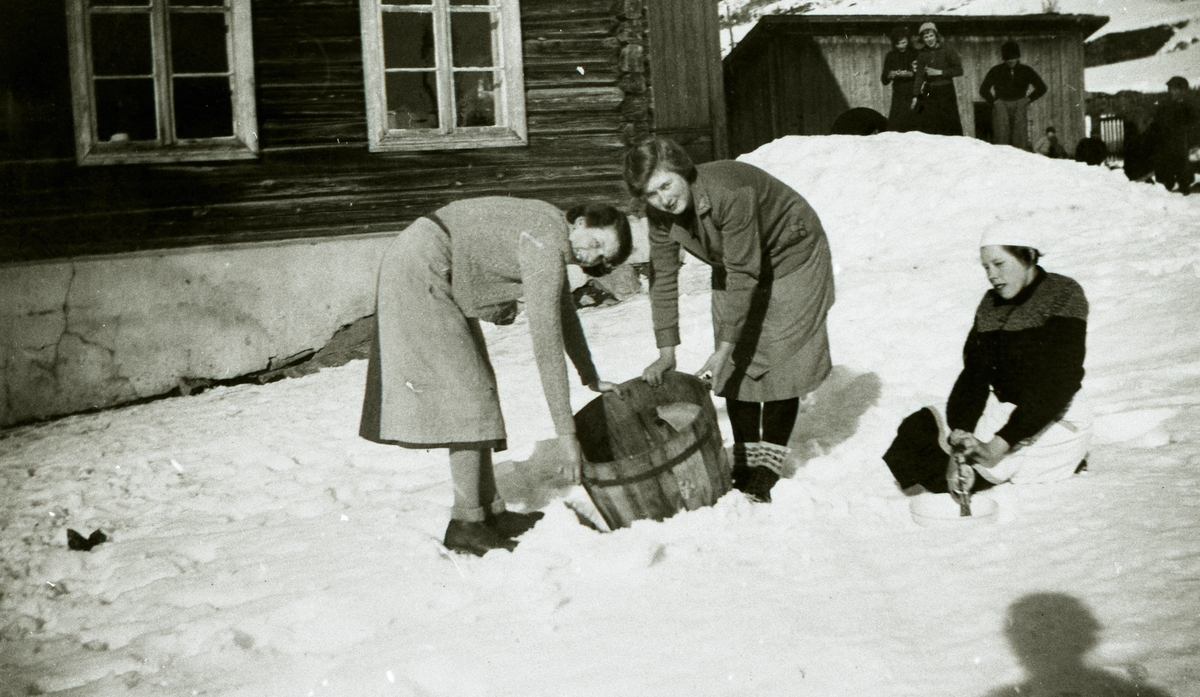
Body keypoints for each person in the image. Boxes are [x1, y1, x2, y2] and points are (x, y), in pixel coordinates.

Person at [359, 197, 633, 556]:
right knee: (468, 398)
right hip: (421, 267)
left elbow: (563, 314)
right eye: (596, 243)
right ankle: (467, 524)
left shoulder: (550, 233)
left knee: (479, 389)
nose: (591, 257)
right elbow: (546, 342)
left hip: (431, 261)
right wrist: (566, 435)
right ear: (581, 222)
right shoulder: (546, 241)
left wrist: (589, 375)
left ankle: (489, 513)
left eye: (602, 258)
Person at [623, 137, 835, 504]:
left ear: (684, 173)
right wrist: (666, 350)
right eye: (651, 194)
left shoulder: (728, 192)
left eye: (666, 185)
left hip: (791, 255)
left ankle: (767, 466)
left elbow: (743, 273)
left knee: (781, 359)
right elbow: (663, 278)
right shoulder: (660, 216)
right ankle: (745, 457)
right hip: (736, 263)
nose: (663, 199)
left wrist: (723, 348)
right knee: (737, 365)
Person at [882, 224, 1091, 499]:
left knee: (954, 475)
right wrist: (961, 433)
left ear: (1027, 255)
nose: (992, 275)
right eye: (986, 267)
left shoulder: (1063, 294)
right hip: (1004, 406)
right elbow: (975, 373)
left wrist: (996, 446)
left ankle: (1064, 459)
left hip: (1051, 411)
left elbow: (1057, 382)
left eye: (999, 263)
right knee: (914, 432)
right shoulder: (990, 304)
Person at [978, 41, 1048, 150]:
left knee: (1020, 138)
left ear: (1018, 57)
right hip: (1001, 104)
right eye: (1007, 59)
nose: (1010, 61)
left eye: (1013, 58)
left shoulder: (1026, 70)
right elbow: (983, 90)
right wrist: (994, 102)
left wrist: (1028, 99)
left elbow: (1042, 88)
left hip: (1020, 103)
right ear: (1004, 59)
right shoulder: (996, 70)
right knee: (1001, 137)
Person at [911, 22, 964, 136]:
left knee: (949, 124)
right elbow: (919, 76)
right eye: (926, 37)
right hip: (930, 91)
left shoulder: (948, 49)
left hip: (946, 90)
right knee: (931, 125)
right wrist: (915, 95)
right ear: (922, 39)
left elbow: (959, 70)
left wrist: (940, 72)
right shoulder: (922, 54)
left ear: (936, 36)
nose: (929, 39)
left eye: (931, 36)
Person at [1147, 76, 1197, 194]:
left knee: (1181, 165)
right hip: (1165, 141)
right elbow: (1157, 121)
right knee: (1166, 166)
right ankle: (1167, 186)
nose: (1172, 92)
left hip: (1180, 141)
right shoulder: (1164, 105)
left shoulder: (1188, 105)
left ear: (1183, 90)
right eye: (1171, 89)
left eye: (1176, 89)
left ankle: (1184, 187)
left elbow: (1193, 122)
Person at [881, 26, 919, 131]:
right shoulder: (891, 56)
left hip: (913, 92)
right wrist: (889, 75)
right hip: (898, 95)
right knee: (896, 126)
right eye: (898, 44)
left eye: (903, 43)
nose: (901, 46)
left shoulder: (915, 54)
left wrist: (907, 74)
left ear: (908, 40)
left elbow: (920, 75)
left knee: (913, 125)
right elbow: (884, 80)